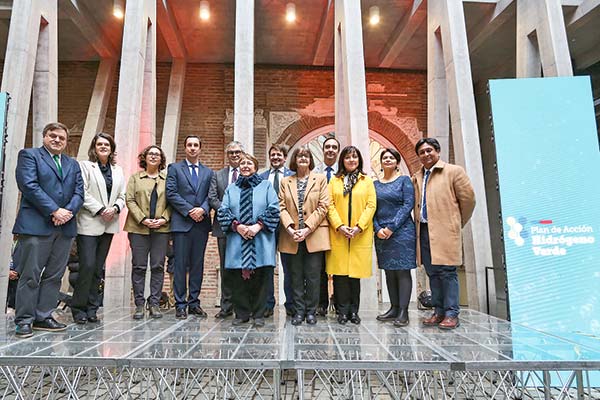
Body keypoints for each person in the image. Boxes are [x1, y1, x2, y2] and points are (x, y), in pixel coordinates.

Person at [12, 122, 84, 338]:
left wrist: (68, 212)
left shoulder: (73, 164)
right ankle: (24, 320)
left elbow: (79, 192)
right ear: (44, 137)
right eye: (53, 136)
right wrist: (54, 210)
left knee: (54, 275)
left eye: (61, 138)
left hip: (64, 228)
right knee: (30, 275)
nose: (57, 140)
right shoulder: (29, 156)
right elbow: (28, 185)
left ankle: (43, 315)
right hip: (36, 226)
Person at [412, 138, 475, 330]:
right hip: (423, 230)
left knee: (447, 273)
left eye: (429, 150)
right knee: (433, 273)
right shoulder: (418, 176)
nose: (426, 154)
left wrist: (455, 223)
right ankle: (438, 311)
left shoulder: (453, 172)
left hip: (445, 231)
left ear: (438, 152)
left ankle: (451, 313)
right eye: (422, 152)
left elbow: (468, 201)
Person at [217, 153, 280, 327]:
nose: (245, 166)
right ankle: (242, 313)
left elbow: (274, 209)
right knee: (237, 279)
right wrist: (238, 227)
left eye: (249, 163)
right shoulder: (231, 188)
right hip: (238, 239)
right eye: (243, 163)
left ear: (255, 167)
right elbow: (223, 211)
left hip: (261, 239)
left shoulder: (266, 186)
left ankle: (259, 314)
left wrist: (257, 226)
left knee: (261, 277)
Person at [72, 133, 126, 324]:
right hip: (89, 222)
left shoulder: (118, 170)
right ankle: (78, 308)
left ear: (112, 148)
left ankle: (92, 308)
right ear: (94, 147)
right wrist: (101, 209)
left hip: (109, 223)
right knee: (86, 266)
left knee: (97, 268)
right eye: (99, 144)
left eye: (107, 144)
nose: (103, 147)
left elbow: (122, 194)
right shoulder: (85, 166)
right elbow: (82, 192)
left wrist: (116, 208)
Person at [278, 146, 330, 326]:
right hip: (291, 236)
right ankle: (298, 312)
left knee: (314, 275)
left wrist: (307, 229)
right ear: (294, 159)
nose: (303, 158)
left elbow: (324, 206)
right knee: (296, 275)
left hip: (314, 235)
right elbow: (281, 206)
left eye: (306, 155)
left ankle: (311, 311)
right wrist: (291, 229)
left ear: (310, 159)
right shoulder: (286, 181)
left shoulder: (320, 179)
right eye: (299, 155)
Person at [326, 146, 376, 325]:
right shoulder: (335, 181)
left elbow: (371, 205)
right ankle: (342, 310)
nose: (351, 160)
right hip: (339, 233)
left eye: (355, 157)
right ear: (342, 161)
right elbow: (329, 205)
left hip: (358, 234)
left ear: (359, 160)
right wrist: (339, 225)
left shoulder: (366, 181)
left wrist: (359, 227)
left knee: (355, 276)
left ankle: (354, 311)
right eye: (348, 157)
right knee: (340, 276)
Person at [166, 135, 214, 319]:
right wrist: (189, 210)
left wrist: (202, 209)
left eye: (196, 145)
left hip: (200, 225)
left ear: (200, 148)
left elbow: (211, 195)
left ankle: (194, 302)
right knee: (180, 265)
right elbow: (171, 193)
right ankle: (180, 304)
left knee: (197, 265)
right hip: (182, 223)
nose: (193, 148)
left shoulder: (209, 172)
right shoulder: (175, 168)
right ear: (185, 148)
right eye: (189, 145)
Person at [124, 145, 171, 319]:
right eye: (150, 154)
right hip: (138, 228)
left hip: (161, 229)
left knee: (158, 266)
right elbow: (129, 200)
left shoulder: (167, 180)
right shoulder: (135, 178)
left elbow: (172, 202)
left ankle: (154, 303)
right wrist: (142, 219)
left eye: (157, 154)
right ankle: (138, 304)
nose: (153, 157)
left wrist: (164, 219)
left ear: (161, 159)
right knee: (139, 266)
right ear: (144, 158)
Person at [373, 148, 416, 327]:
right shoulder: (375, 185)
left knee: (402, 271)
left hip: (402, 232)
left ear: (397, 162)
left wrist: (391, 227)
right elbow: (371, 208)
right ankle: (393, 308)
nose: (388, 160)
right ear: (381, 162)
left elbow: (408, 205)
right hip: (381, 234)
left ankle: (403, 312)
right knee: (389, 271)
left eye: (391, 157)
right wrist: (377, 229)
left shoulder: (404, 181)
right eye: (385, 158)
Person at [208, 140, 244, 319]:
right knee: (226, 267)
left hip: (244, 227)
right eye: (231, 152)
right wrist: (228, 212)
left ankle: (243, 305)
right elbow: (212, 197)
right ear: (227, 155)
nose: (234, 155)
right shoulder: (218, 175)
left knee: (243, 266)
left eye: (237, 152)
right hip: (223, 226)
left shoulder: (247, 175)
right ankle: (226, 305)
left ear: (242, 154)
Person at [259, 144, 294, 317]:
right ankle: (267, 304)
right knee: (267, 266)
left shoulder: (292, 177)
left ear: (285, 157)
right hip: (266, 227)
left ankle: (291, 304)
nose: (275, 158)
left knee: (289, 267)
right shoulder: (261, 177)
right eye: (273, 155)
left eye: (279, 155)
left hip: (287, 227)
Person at [313, 135, 340, 316]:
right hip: (320, 226)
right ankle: (321, 303)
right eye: (327, 147)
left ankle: (339, 302)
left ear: (338, 151)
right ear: (323, 151)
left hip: (339, 226)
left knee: (339, 265)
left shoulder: (343, 173)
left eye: (334, 147)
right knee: (320, 266)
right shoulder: (315, 173)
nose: (330, 150)